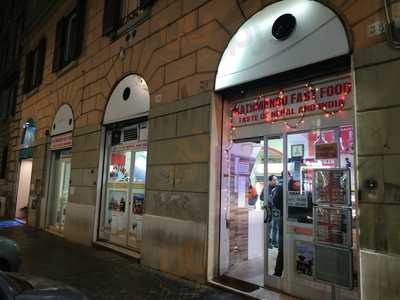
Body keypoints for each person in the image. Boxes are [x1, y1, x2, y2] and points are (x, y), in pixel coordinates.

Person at [260, 175, 279, 249]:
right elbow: (261, 197)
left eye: (276, 180)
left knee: (276, 226)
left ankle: (275, 241)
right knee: (269, 226)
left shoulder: (277, 188)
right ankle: (268, 242)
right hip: (268, 209)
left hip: (276, 209)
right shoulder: (266, 188)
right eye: (274, 180)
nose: (276, 181)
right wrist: (268, 199)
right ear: (270, 181)